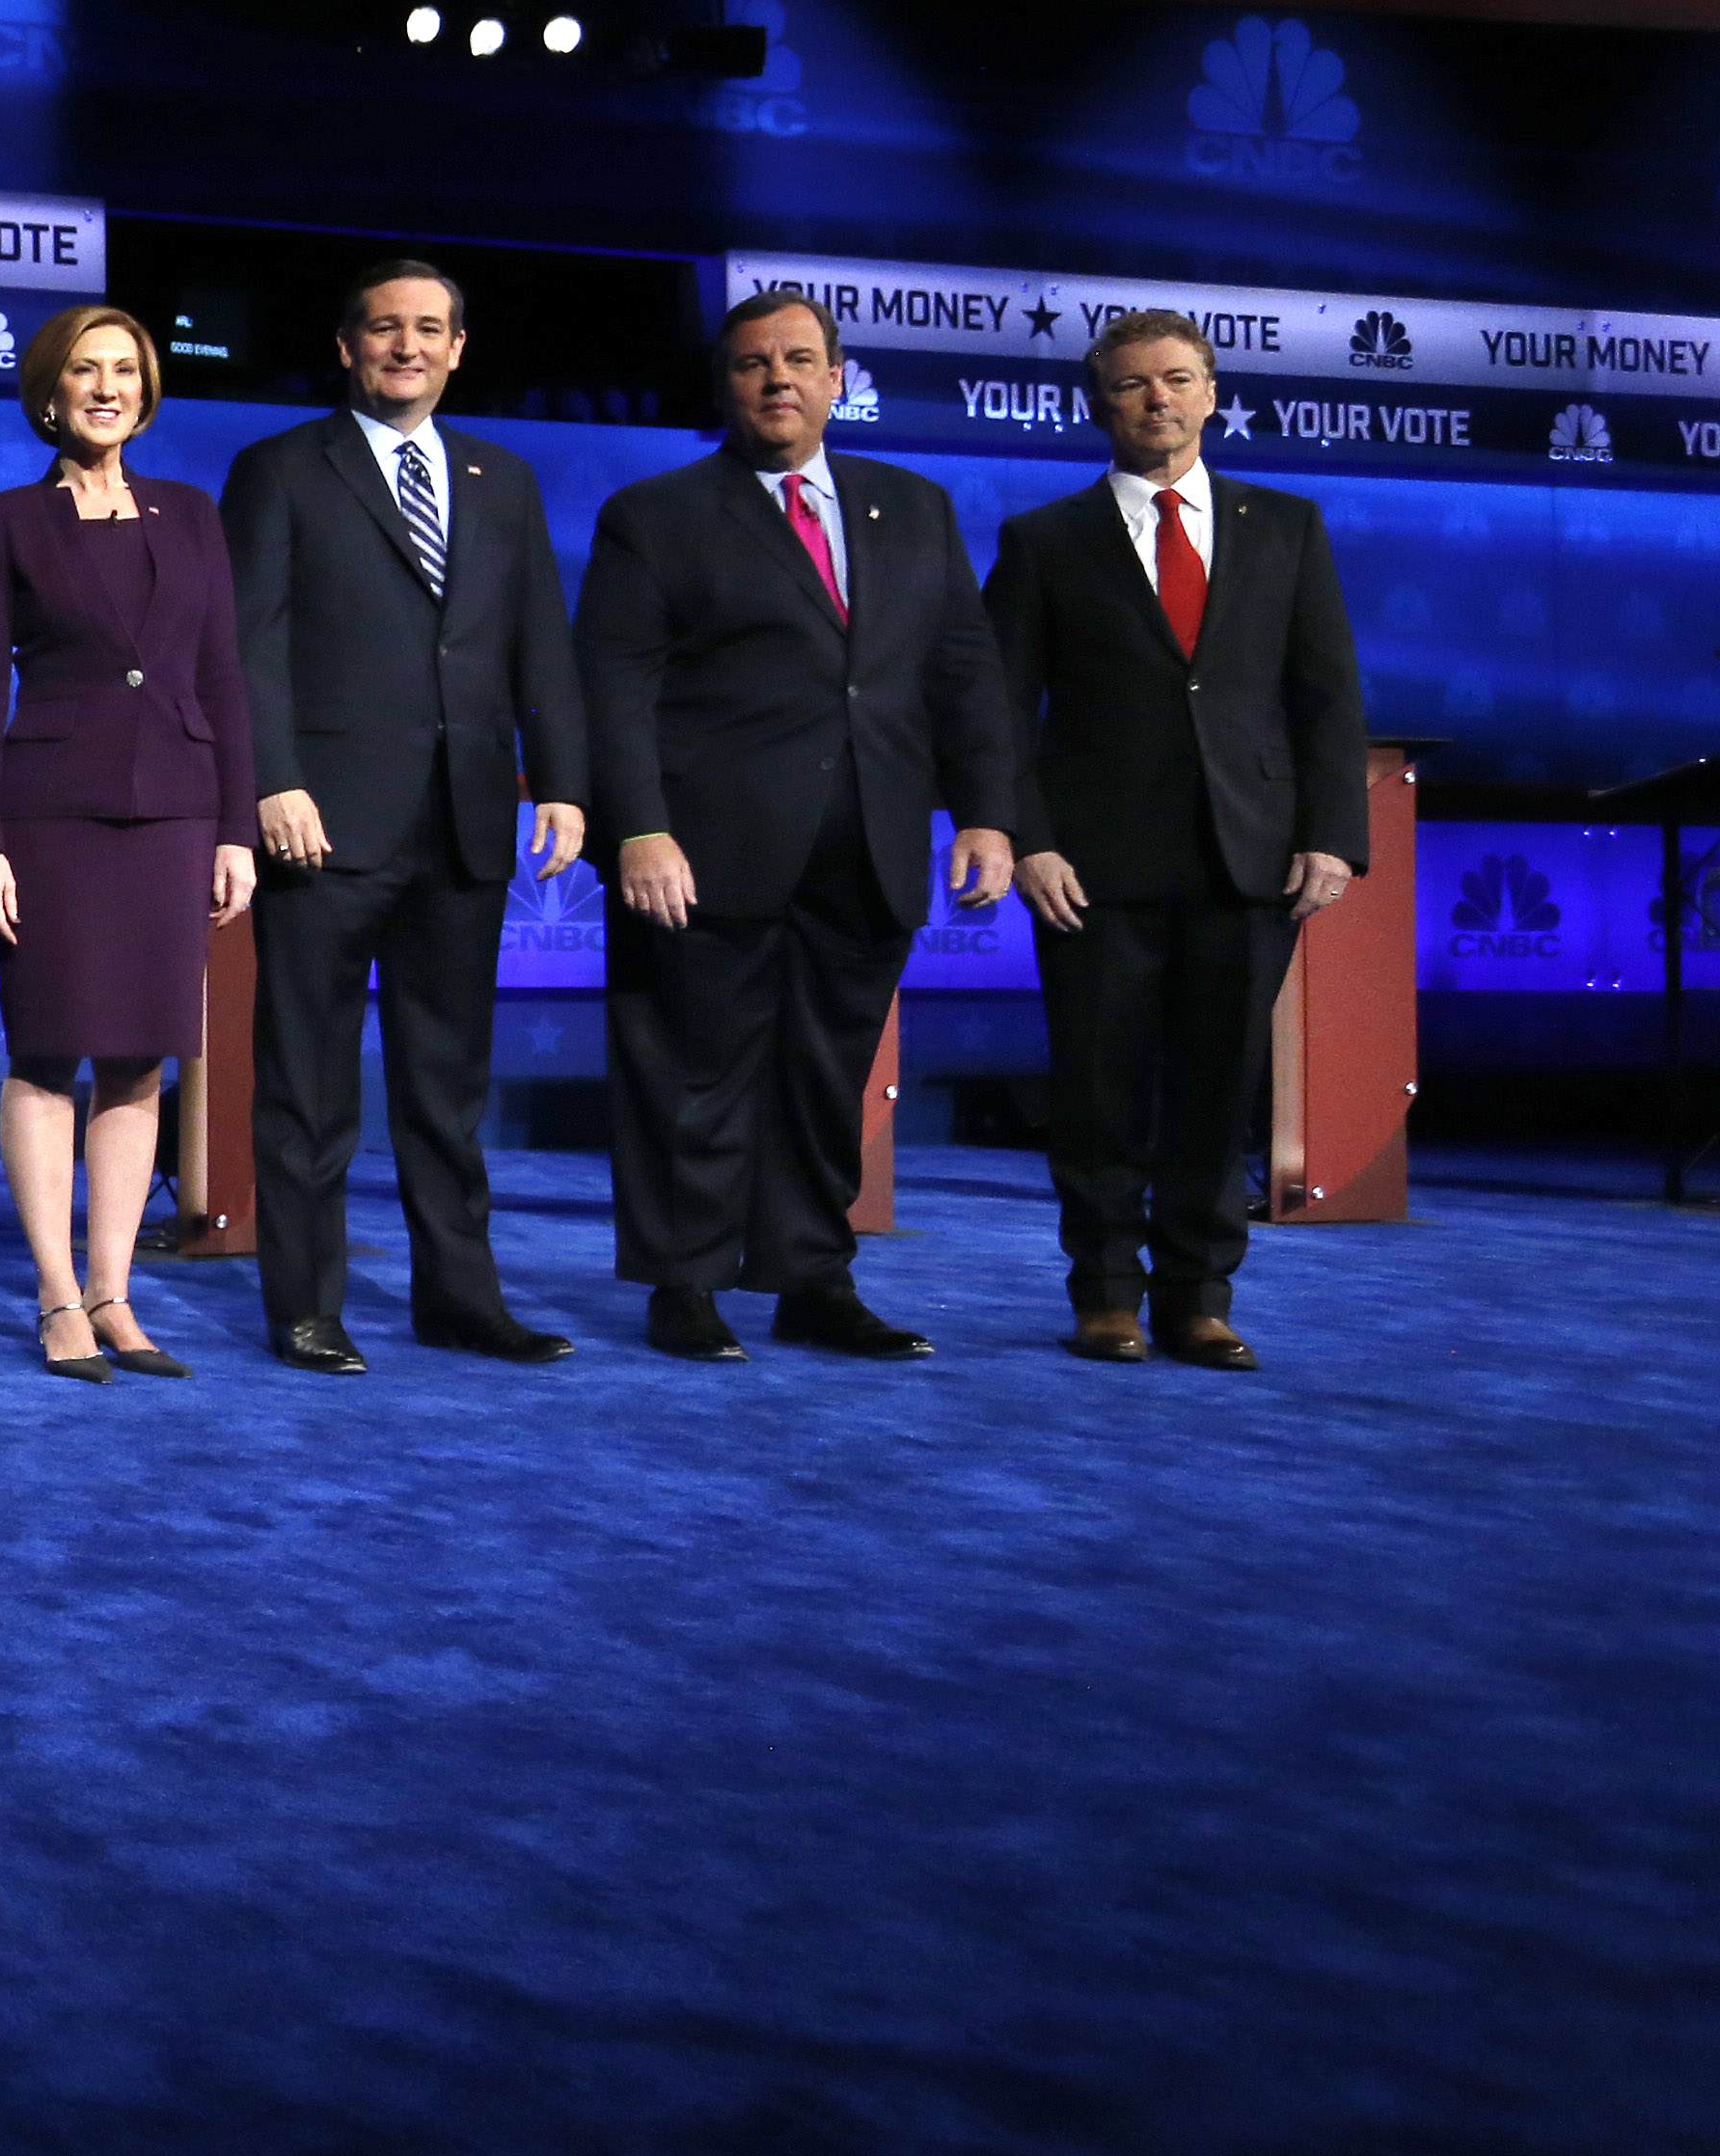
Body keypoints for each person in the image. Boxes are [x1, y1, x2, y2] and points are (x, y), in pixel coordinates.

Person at [580, 294, 1018, 1360]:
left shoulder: (913, 507)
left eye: (799, 360)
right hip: (701, 854)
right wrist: (638, 828)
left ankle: (810, 1277)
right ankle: (685, 1283)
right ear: (722, 385)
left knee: (827, 1080)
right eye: (751, 364)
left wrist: (989, 816)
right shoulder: (656, 514)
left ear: (838, 378)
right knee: (692, 1076)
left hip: (863, 848)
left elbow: (965, 674)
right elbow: (614, 689)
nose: (777, 378)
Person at [220, 257, 588, 1374]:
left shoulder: (502, 478)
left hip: (467, 824)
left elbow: (541, 646)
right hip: (323, 826)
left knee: (447, 1092)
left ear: (459, 348)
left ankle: (460, 1301)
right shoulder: (282, 469)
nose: (408, 347)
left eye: (430, 329)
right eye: (386, 329)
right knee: (308, 1088)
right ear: (348, 346)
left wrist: (564, 783)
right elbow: (250, 645)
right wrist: (273, 780)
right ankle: (306, 1307)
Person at [985, 310, 1370, 1369]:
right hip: (1091, 869)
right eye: (1134, 385)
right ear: (1097, 404)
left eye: (1179, 380)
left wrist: (1334, 834)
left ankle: (1200, 1299)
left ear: (1212, 393)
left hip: (1247, 859)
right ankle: (1105, 1295)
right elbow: (999, 710)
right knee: (1102, 1090)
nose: (1159, 399)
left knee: (1217, 1088)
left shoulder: (1287, 526)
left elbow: (1327, 696)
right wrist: (1026, 838)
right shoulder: (1043, 541)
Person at [0, 306, 257, 1383]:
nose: (107, 386)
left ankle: (117, 1293)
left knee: (141, 1058)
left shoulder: (193, 514)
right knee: (47, 1054)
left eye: (125, 369)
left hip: (175, 809)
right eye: (86, 368)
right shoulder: (7, 521)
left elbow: (222, 674)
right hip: (50, 815)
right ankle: (56, 1298)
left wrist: (235, 825)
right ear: (49, 388)